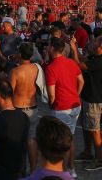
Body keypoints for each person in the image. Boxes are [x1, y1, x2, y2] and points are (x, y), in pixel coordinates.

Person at [46, 37, 84, 178]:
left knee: (61, 141)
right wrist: (76, 94)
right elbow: (81, 81)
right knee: (70, 138)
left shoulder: (51, 68)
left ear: (52, 48)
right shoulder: (71, 63)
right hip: (74, 105)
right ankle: (71, 168)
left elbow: (51, 95)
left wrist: (50, 104)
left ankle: (63, 170)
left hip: (61, 107)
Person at [71, 36, 102, 170]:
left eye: (96, 44)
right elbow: (84, 60)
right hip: (89, 97)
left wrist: (73, 50)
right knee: (86, 126)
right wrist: (75, 46)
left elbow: (80, 65)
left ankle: (99, 159)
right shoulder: (95, 59)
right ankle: (87, 152)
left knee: (94, 130)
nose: (93, 45)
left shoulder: (99, 61)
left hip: (94, 100)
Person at [9, 43, 39, 173]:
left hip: (18, 109)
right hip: (33, 107)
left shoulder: (15, 71)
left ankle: (20, 171)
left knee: (17, 141)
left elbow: (10, 92)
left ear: (20, 54)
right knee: (31, 140)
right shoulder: (35, 69)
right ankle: (33, 171)